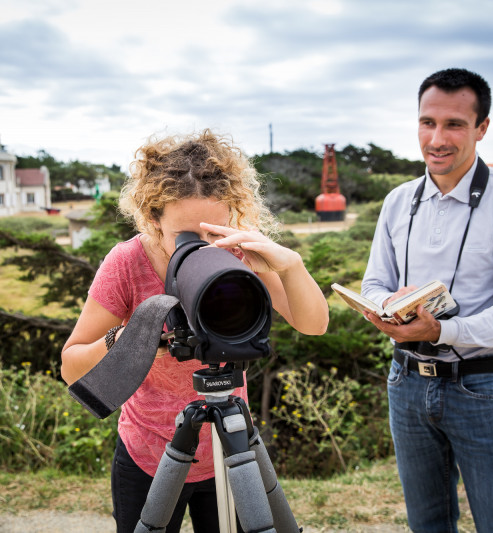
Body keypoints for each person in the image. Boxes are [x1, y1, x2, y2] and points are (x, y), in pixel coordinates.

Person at [61, 129, 329, 533]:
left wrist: (289, 264)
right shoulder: (127, 263)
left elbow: (314, 324)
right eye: (185, 236)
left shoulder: (236, 252)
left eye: (213, 232)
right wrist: (130, 338)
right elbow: (71, 366)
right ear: (152, 219)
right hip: (148, 452)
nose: (203, 248)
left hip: (230, 449)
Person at [360, 68, 493, 532]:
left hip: (483, 389)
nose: (437, 138)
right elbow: (374, 285)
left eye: (454, 125)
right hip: (405, 382)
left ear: (482, 127)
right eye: (427, 122)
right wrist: (389, 307)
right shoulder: (397, 201)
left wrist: (442, 330)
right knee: (426, 523)